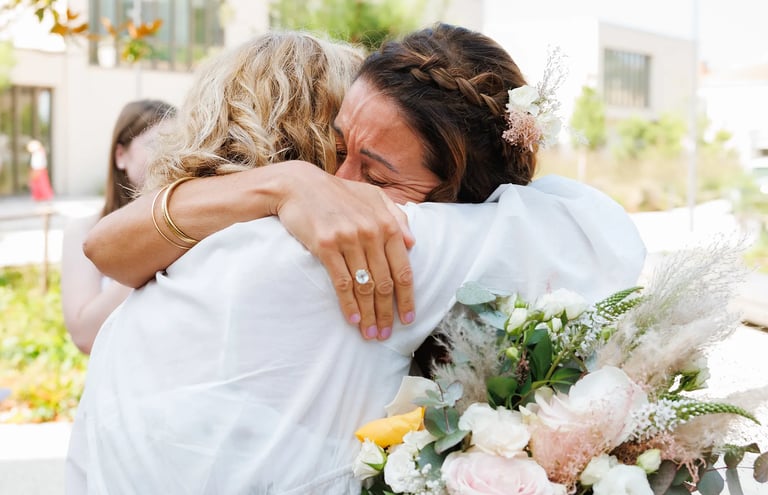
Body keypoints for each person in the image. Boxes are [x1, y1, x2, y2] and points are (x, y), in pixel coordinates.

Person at [68, 25, 646, 493]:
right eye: (338, 149)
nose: (342, 184)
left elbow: (103, 248)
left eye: (373, 170)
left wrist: (281, 185)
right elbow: (602, 240)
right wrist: (288, 184)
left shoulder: (161, 278)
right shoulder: (376, 241)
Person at [61, 99, 175, 354]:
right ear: (121, 156)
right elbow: (84, 336)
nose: (169, 155)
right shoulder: (83, 231)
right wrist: (157, 250)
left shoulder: (194, 224)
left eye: (178, 143)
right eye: (155, 144)